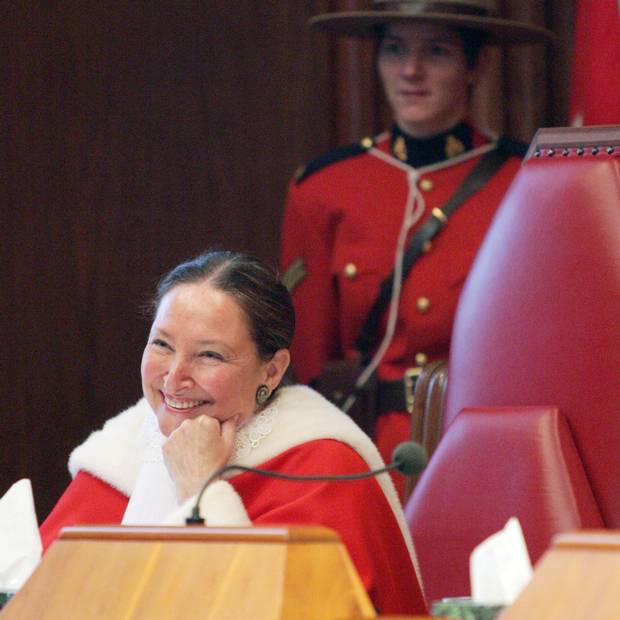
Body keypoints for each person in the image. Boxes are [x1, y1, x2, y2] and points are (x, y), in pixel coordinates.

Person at [39, 250, 427, 616]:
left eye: (209, 355)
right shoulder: (122, 449)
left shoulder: (324, 467)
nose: (174, 377)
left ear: (271, 371)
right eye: (161, 344)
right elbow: (33, 596)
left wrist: (199, 486)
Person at [280, 0, 553, 497]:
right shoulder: (325, 189)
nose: (411, 70)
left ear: (476, 65)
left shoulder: (526, 182)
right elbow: (308, 356)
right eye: (395, 48)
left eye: (438, 51)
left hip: (481, 446)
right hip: (365, 450)